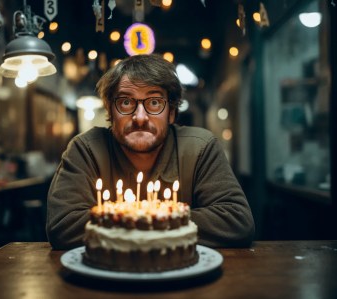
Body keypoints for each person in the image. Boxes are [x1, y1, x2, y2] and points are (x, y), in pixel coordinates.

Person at [46, 54, 255, 249]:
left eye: (154, 102)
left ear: (171, 112)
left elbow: (236, 221)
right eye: (126, 102)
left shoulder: (200, 147)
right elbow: (62, 226)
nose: (140, 117)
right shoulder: (85, 150)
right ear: (110, 112)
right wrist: (157, 221)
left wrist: (139, 219)